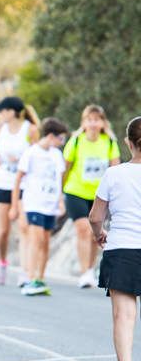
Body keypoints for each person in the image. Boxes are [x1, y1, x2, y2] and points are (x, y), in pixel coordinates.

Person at [89, 116, 141, 361]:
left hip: (122, 248)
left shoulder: (114, 174)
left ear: (127, 142)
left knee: (124, 316)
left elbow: (96, 216)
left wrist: (99, 234)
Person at [63, 104, 121, 288]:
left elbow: (115, 170)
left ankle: (90, 269)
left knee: (95, 233)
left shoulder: (110, 142)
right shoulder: (76, 141)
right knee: (83, 229)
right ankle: (84, 272)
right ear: (84, 123)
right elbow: (65, 168)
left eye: (97, 119)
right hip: (75, 191)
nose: (93, 123)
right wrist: (59, 192)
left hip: (99, 196)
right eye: (89, 120)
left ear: (103, 123)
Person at [10, 117, 70, 296]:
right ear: (51, 136)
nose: (62, 143)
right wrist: (15, 206)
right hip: (33, 203)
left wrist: (60, 201)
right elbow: (18, 179)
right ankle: (29, 276)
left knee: (45, 241)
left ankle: (40, 278)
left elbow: (59, 180)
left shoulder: (56, 155)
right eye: (60, 138)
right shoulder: (31, 153)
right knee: (35, 240)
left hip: (50, 204)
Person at [0, 96, 40, 286]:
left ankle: (25, 271)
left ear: (12, 111)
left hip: (24, 184)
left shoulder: (31, 129)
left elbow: (37, 155)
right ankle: (1, 263)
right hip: (3, 182)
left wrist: (21, 162)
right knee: (3, 230)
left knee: (24, 228)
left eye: (2, 110)